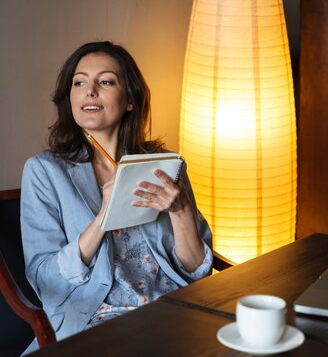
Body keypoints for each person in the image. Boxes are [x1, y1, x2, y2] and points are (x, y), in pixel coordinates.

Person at [20, 41, 213, 354]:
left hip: (172, 312)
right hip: (97, 320)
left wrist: (180, 210)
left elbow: (196, 270)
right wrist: (102, 219)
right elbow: (44, 278)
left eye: (106, 81)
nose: (89, 91)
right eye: (79, 82)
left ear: (130, 101)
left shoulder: (164, 166)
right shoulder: (45, 171)